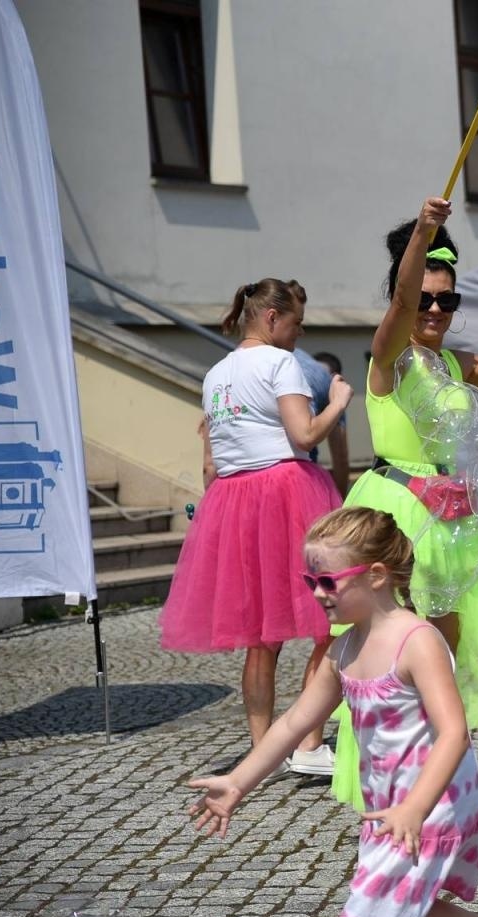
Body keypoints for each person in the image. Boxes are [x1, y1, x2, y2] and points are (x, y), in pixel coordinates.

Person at [187, 508, 478, 917]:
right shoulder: (343, 650)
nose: (317, 593)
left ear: (377, 576)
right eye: (309, 581)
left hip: (431, 804)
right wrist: (238, 782)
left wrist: (415, 806)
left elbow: (455, 731)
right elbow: (295, 724)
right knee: (397, 911)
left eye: (328, 581)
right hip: (388, 810)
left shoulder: (418, 641)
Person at [330, 195, 478, 811]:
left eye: (447, 299)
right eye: (426, 297)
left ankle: (436, 778)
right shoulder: (390, 358)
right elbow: (401, 305)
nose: (434, 308)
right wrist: (425, 232)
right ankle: (380, 779)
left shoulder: (457, 363)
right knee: (385, 656)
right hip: (394, 517)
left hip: (448, 524)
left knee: (440, 663)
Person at [161, 279, 350, 776]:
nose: (299, 333)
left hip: (234, 501)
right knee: (329, 621)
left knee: (259, 639)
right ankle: (308, 746)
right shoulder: (279, 363)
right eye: (296, 322)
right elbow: (305, 434)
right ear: (271, 318)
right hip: (287, 493)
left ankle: (262, 752)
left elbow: (211, 464)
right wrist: (337, 400)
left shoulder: (216, 373)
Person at [294, 349, 352, 497]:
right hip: (298, 473)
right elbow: (340, 458)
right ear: (337, 377)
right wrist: (340, 505)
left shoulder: (292, 357)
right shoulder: (330, 384)